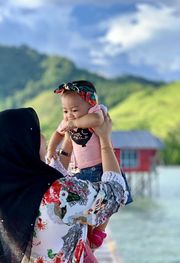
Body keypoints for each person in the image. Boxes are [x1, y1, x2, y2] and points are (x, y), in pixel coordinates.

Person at [0, 107, 129, 263]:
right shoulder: (57, 194)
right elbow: (116, 194)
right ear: (23, 144)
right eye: (36, 133)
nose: (43, 138)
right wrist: (105, 140)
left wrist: (67, 141)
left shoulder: (2, 197)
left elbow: (53, 173)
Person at [47, 80, 132, 249]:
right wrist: (50, 149)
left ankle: (100, 231)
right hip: (81, 171)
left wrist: (74, 124)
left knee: (109, 202)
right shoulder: (68, 121)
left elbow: (97, 119)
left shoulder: (96, 112)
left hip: (101, 167)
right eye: (65, 111)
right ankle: (89, 234)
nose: (69, 115)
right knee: (89, 205)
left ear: (91, 104)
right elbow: (58, 133)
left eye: (75, 110)